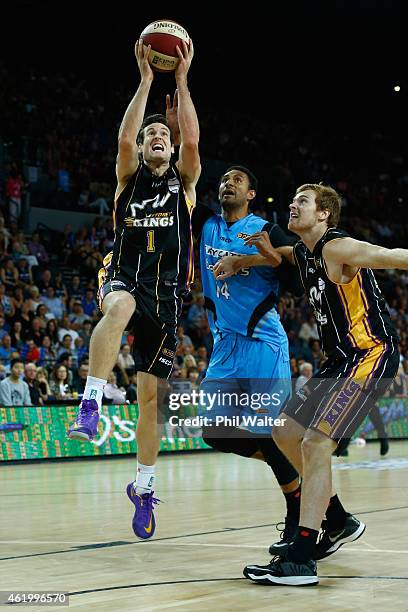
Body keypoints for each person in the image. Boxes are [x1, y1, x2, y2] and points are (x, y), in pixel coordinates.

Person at [67, 37, 200, 542]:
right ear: (143, 148)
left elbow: (192, 141)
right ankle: (91, 402)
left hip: (167, 298)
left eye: (163, 133)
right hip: (125, 273)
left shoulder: (185, 183)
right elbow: (124, 141)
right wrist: (146, 80)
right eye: (151, 135)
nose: (158, 137)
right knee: (117, 305)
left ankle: (144, 489)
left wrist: (182, 84)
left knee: (151, 402)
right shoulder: (128, 178)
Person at [240, 183, 401, 586]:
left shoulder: (335, 247)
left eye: (303, 202)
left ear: (325, 214)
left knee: (315, 444)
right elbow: (278, 255)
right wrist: (240, 261)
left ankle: (302, 558)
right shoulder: (304, 253)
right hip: (337, 361)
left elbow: (387, 256)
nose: (293, 205)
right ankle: (338, 520)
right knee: (284, 431)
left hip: (369, 354)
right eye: (292, 199)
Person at [193, 165, 304, 553]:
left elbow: (295, 270)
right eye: (224, 179)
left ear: (252, 193)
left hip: (262, 342)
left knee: (270, 432)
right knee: (213, 430)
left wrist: (254, 260)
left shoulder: (265, 230)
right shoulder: (206, 224)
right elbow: (185, 170)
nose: (228, 183)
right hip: (224, 346)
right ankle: (295, 474)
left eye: (238, 180)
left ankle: (299, 511)